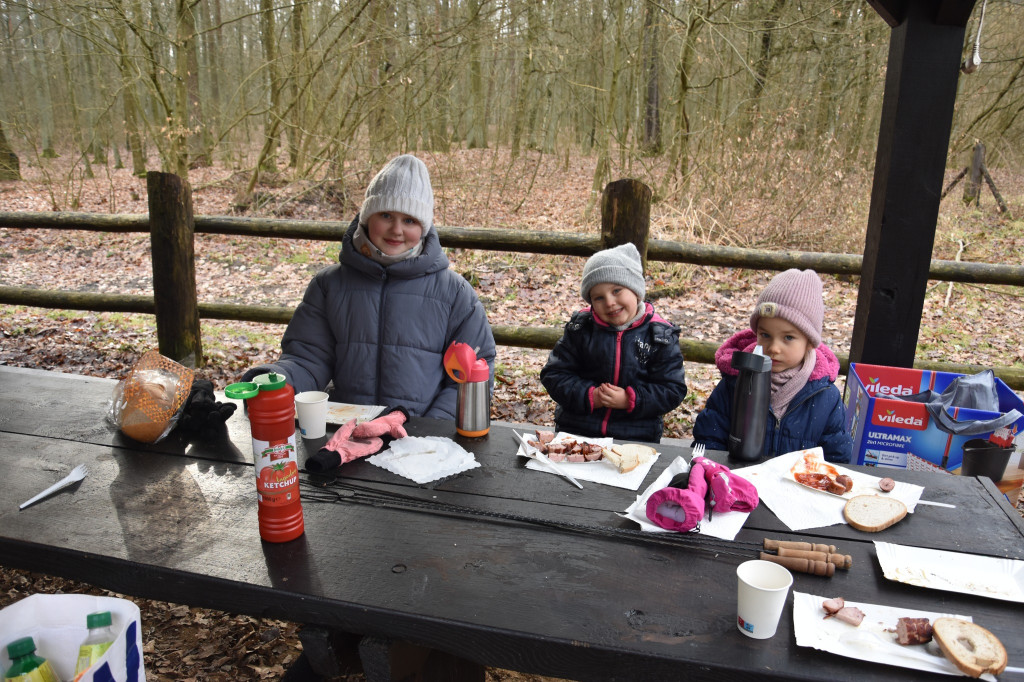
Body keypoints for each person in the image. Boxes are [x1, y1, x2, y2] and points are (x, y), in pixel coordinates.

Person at [243, 154, 495, 419]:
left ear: (424, 226)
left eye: (409, 220)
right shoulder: (329, 286)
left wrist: (433, 429)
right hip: (347, 433)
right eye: (385, 215)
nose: (396, 229)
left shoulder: (454, 294)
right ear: (366, 217)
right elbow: (307, 359)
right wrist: (275, 381)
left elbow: (475, 371)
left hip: (420, 444)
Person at [692, 268, 851, 462]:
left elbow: (836, 458)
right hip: (736, 482)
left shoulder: (826, 397)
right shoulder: (735, 383)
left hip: (795, 487)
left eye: (788, 338)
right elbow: (709, 440)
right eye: (765, 335)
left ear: (810, 342)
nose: (774, 348)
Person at [540, 243, 687, 443]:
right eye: (599, 297)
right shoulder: (580, 330)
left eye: (617, 290)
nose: (609, 302)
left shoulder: (660, 336)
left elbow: (672, 389)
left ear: (636, 290)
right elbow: (554, 375)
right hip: (577, 432)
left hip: (635, 437)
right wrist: (591, 396)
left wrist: (629, 399)